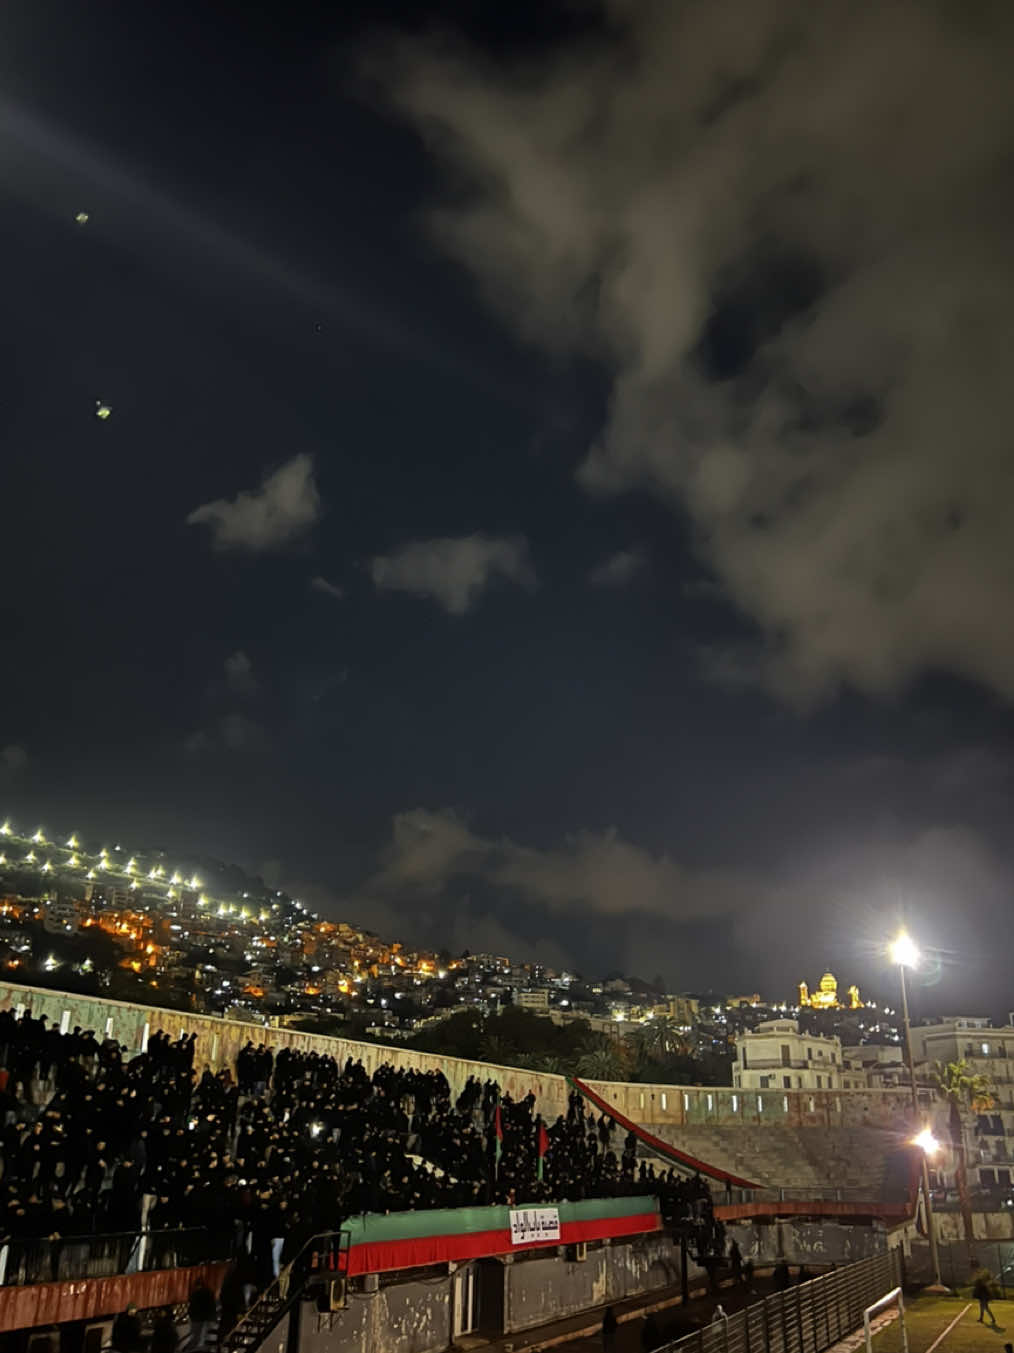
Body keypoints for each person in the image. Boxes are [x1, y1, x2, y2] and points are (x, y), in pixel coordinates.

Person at [185, 1280, 218, 1350]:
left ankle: (194, 1349)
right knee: (208, 1337)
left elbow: (192, 1307)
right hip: (209, 1318)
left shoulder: (196, 1294)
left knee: (196, 1337)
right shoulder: (209, 1293)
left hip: (198, 1318)